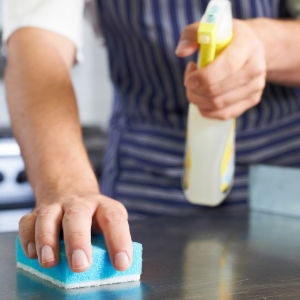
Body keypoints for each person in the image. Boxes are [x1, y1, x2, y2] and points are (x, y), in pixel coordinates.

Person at [3, 0, 300, 273]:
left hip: (284, 182)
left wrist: (264, 44)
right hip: (146, 181)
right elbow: (38, 42)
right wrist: (67, 185)